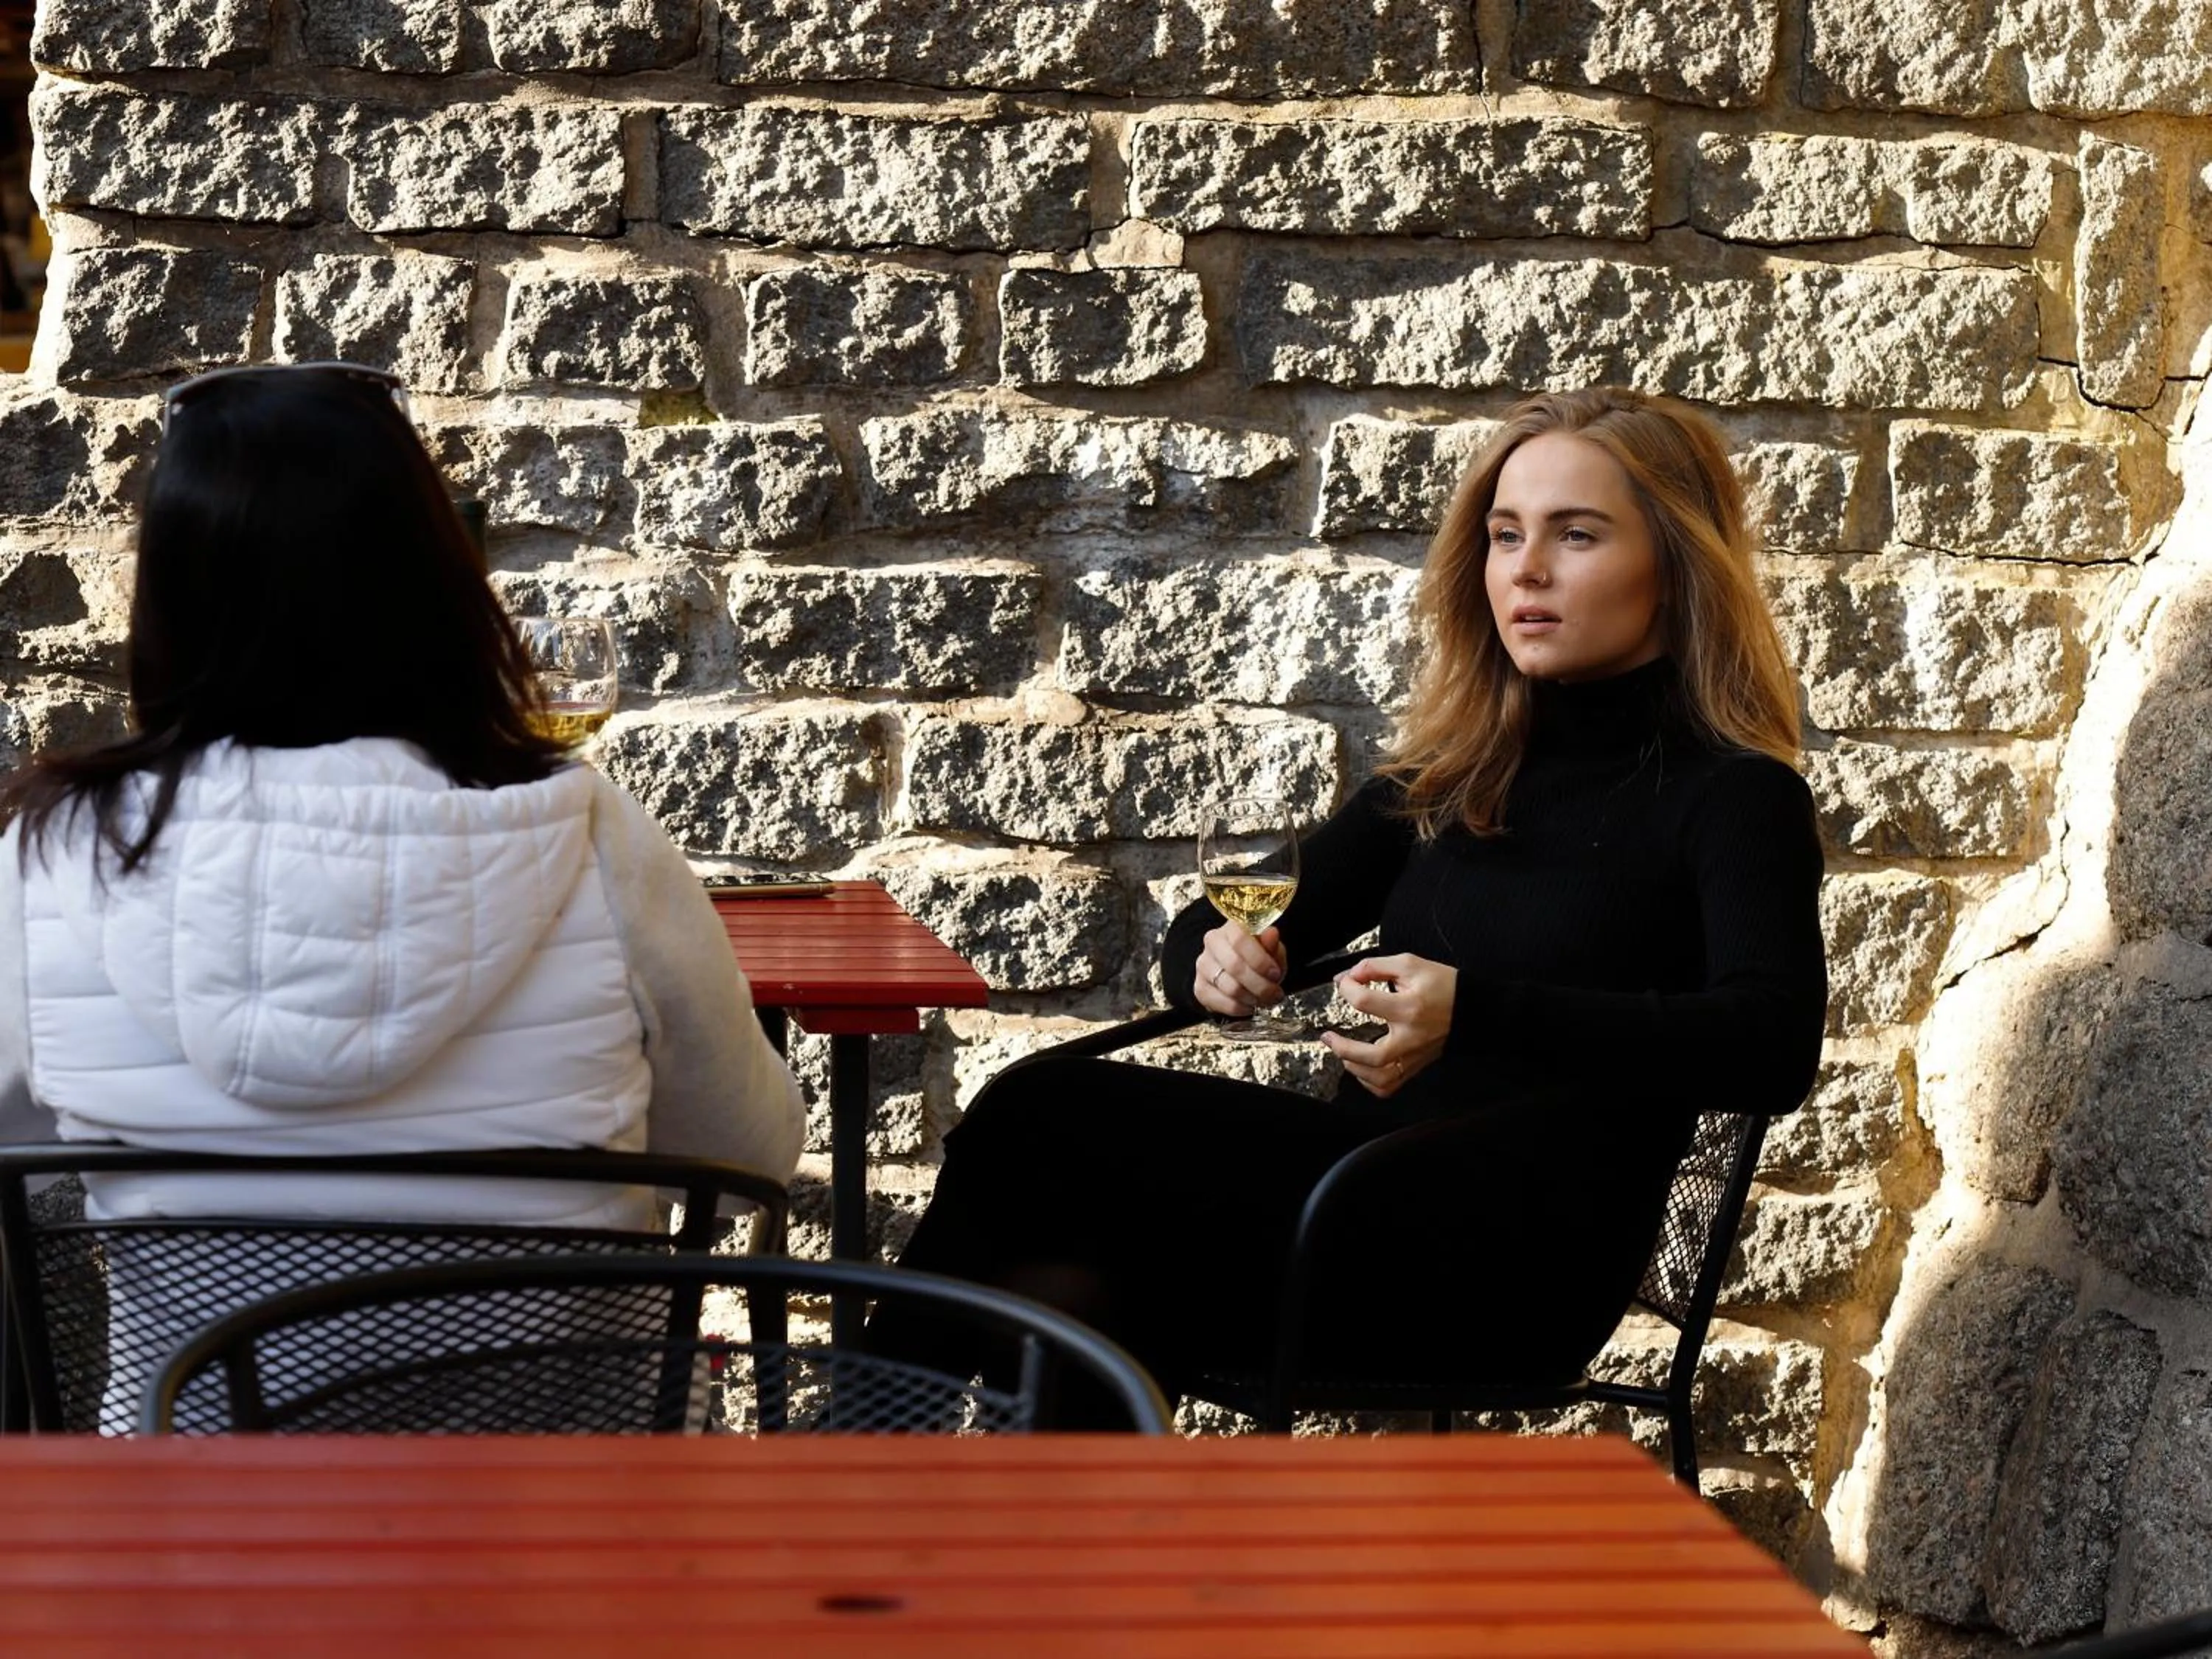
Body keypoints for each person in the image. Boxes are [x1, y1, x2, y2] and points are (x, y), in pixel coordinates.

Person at [869, 386, 1828, 1425]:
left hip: (1509, 1265)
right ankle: (1023, 1565)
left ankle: (836, 1463)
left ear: (1675, 565)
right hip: (1350, 1211)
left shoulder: (1734, 797)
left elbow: (1770, 1044)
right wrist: (1215, 957)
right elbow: (1239, 917)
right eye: (1506, 536)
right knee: (1067, 1282)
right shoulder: (1454, 776)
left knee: (1035, 1111)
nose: (1528, 571)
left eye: (1577, 534)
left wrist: (1477, 1009)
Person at [0, 363, 804, 1423]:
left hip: (193, 1527)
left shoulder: (58, 850)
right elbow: (749, 1148)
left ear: (171, 594)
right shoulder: (588, 831)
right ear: (433, 578)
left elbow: (22, 1139)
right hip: (572, 1519)